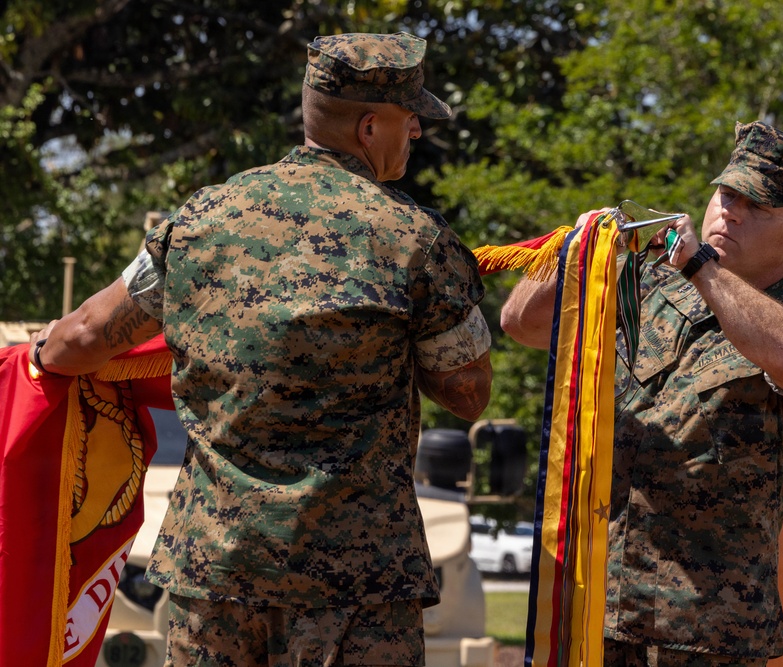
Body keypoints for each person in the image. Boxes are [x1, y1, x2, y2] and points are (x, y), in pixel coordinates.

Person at [30, 32, 492, 667]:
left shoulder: (199, 221)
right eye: (410, 118)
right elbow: (469, 393)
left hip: (218, 572)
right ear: (367, 127)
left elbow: (81, 338)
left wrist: (28, 364)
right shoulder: (417, 241)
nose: (415, 132)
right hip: (353, 587)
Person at [501, 121, 783, 666]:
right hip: (594, 606)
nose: (729, 212)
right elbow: (521, 323)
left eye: (754, 207)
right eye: (726, 195)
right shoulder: (644, 283)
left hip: (704, 630)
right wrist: (583, 251)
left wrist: (700, 269)